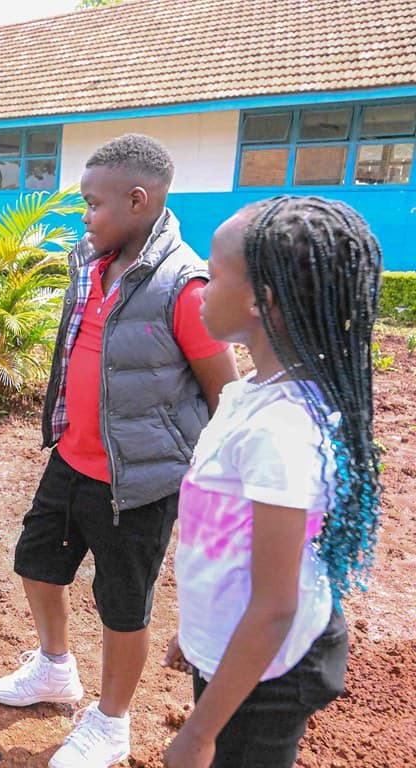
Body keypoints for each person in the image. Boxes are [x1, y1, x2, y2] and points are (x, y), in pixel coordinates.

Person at [0, 134, 238, 768]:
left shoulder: (183, 286)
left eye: (92, 205)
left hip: (140, 482)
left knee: (123, 606)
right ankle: (54, 668)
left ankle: (111, 722)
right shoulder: (91, 262)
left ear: (137, 200)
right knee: (36, 564)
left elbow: (225, 397)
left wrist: (205, 490)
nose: (84, 216)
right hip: (71, 458)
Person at [160, 196, 383, 768]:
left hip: (270, 670)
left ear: (265, 300)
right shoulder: (250, 394)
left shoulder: (280, 431)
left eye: (215, 269)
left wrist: (199, 733)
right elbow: (227, 541)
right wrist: (199, 633)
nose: (201, 283)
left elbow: (275, 605)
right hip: (244, 651)